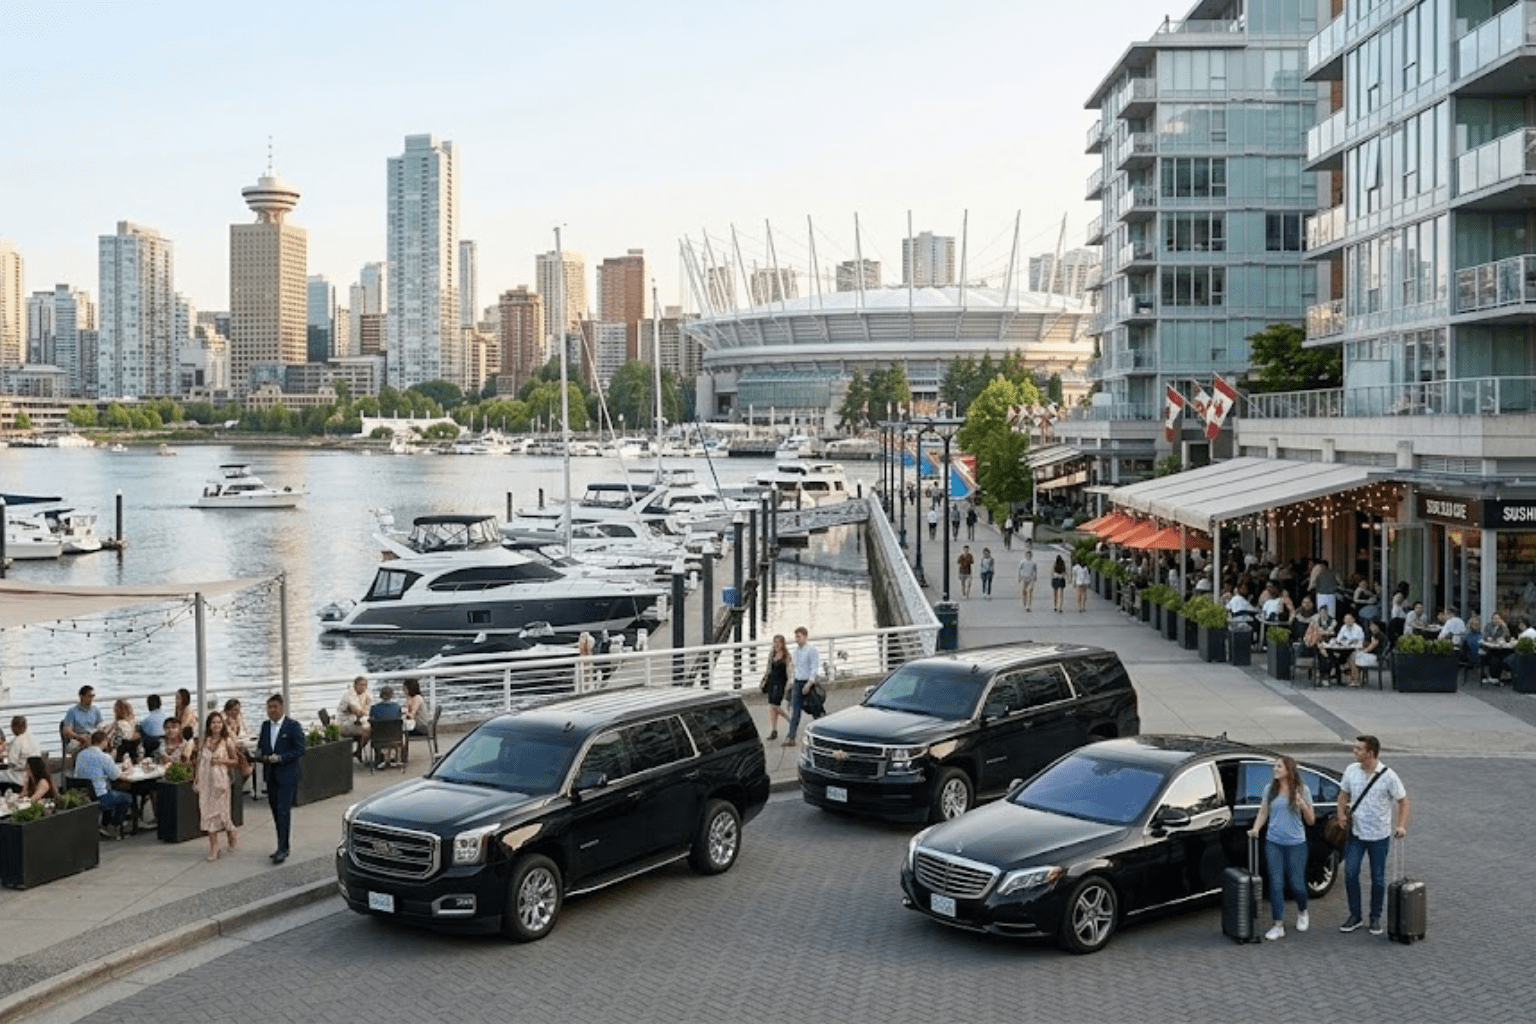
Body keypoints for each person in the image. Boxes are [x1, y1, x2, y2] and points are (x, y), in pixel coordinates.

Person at [1336, 735, 1410, 935]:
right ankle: (1355, 915)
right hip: (1356, 835)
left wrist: (1400, 826)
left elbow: (1403, 801)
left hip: (1379, 836)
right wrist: (1341, 814)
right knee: (1350, 874)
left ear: (1370, 753)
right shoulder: (1351, 770)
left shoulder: (1389, 776)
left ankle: (1375, 917)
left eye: (1358, 749)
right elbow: (1343, 795)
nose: (1354, 751)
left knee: (1378, 879)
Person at [1247, 756, 1316, 941]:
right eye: (1275, 766)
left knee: (1297, 884)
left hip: (1296, 844)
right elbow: (1263, 812)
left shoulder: (1303, 790)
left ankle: (1303, 911)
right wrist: (1256, 828)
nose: (1275, 769)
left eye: (1279, 766)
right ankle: (1278, 924)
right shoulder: (1270, 790)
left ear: (1288, 769)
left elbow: (1311, 820)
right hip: (1273, 842)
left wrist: (1302, 805)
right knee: (1276, 884)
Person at [257, 694, 306, 864]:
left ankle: (283, 848)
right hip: (271, 775)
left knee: (283, 811)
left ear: (282, 708)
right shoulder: (265, 726)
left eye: (275, 707)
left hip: (286, 775)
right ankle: (281, 844)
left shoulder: (292, 726)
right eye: (269, 707)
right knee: (275, 811)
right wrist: (261, 756)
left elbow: (300, 750)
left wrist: (281, 758)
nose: (272, 711)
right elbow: (262, 748)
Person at [195, 710, 240, 861]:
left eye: (219, 722)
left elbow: (235, 761)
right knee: (207, 812)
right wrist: (196, 779)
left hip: (220, 781)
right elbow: (199, 761)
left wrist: (221, 761)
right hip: (206, 780)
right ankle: (214, 846)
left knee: (222, 812)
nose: (216, 725)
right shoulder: (204, 741)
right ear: (209, 725)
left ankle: (230, 830)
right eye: (213, 722)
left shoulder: (227, 741)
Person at [75, 730, 131, 839]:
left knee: (111, 791)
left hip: (85, 794)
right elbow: (115, 776)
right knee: (126, 797)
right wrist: (125, 773)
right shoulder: (104, 757)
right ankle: (114, 826)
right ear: (105, 741)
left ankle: (105, 825)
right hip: (100, 796)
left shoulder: (80, 755)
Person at [781, 626, 823, 747]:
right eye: (796, 637)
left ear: (805, 637)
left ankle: (821, 734)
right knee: (795, 710)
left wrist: (810, 683)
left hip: (808, 683)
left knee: (816, 709)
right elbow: (794, 668)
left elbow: (814, 667)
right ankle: (791, 736)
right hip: (798, 683)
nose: (796, 639)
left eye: (799, 636)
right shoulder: (796, 652)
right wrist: (791, 682)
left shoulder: (811, 650)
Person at [60, 685, 102, 761]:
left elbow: (100, 726)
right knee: (78, 746)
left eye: (92, 696)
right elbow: (66, 730)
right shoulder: (72, 711)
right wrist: (79, 737)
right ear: (81, 697)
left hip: (93, 737)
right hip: (78, 737)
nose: (91, 699)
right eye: (89, 696)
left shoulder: (96, 710)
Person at [337, 675, 373, 762]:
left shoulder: (365, 694)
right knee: (368, 731)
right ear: (355, 685)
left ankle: (358, 751)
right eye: (361, 685)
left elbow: (367, 706)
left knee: (370, 729)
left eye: (365, 685)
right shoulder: (349, 695)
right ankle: (358, 752)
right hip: (344, 724)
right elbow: (358, 711)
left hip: (355, 722)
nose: (363, 687)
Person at [762, 634, 791, 741]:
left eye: (779, 642)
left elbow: (789, 671)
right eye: (775, 642)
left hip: (781, 682)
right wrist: (765, 678)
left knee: (776, 706)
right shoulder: (772, 654)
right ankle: (774, 730)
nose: (777, 645)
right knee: (772, 707)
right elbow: (768, 668)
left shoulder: (786, 656)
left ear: (783, 644)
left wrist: (789, 684)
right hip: (772, 681)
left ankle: (790, 720)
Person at [2, 716, 40, 792]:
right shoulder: (34, 739)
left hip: (18, 777)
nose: (12, 729)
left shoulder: (17, 741)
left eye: (13, 726)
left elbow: (12, 762)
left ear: (19, 727)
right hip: (33, 775)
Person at [369, 685, 403, 767]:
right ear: (392, 695)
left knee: (374, 731)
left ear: (381, 695)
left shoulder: (374, 708)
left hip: (378, 738)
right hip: (395, 737)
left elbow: (371, 719)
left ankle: (379, 757)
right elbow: (399, 717)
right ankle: (398, 758)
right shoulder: (397, 707)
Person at [402, 679, 430, 762]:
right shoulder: (410, 698)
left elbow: (411, 715)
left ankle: (403, 755)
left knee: (400, 733)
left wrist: (404, 711)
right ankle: (401, 755)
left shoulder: (417, 698)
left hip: (421, 726)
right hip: (415, 724)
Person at [141, 694, 169, 760]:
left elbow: (145, 732)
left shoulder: (145, 719)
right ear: (160, 704)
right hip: (166, 740)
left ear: (148, 705)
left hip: (152, 745)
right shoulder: (167, 716)